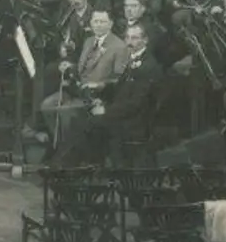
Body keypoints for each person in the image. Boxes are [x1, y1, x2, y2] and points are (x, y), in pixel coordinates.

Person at [50, 23, 163, 168]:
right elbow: (122, 89)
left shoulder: (147, 66)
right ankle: (73, 165)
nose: (129, 42)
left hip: (135, 121)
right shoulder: (133, 58)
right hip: (123, 113)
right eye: (127, 37)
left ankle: (66, 167)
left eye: (134, 38)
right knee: (79, 119)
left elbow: (137, 104)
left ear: (145, 40)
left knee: (84, 123)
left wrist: (106, 110)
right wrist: (101, 89)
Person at [38, 9, 127, 146]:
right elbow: (83, 69)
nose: (98, 25)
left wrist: (99, 85)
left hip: (96, 96)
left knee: (64, 112)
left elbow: (120, 79)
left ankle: (70, 148)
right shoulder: (89, 41)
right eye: (95, 21)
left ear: (110, 24)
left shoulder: (119, 47)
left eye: (102, 22)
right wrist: (71, 66)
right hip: (77, 90)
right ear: (91, 23)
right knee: (47, 105)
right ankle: (61, 144)